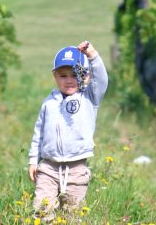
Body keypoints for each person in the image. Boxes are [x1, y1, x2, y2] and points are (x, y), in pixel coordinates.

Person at [28, 40, 108, 220]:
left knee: (73, 213)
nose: (69, 80)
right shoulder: (49, 103)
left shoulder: (89, 98)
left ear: (85, 76)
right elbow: (38, 134)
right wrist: (33, 160)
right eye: (63, 76)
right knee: (42, 208)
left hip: (77, 167)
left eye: (74, 74)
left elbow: (101, 79)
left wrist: (92, 55)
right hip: (48, 166)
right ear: (55, 76)